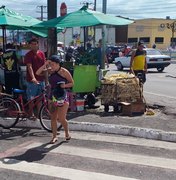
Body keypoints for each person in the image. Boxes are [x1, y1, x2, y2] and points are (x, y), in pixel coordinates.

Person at [36, 55, 74, 144]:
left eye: (53, 64)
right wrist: (45, 64)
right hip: (52, 96)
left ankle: (67, 133)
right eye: (50, 64)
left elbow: (72, 83)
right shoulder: (50, 71)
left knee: (61, 118)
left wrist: (64, 86)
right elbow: (37, 73)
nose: (51, 66)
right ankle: (54, 137)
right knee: (53, 118)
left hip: (62, 96)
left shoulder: (64, 72)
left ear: (58, 64)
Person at [24, 38, 46, 118]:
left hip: (41, 79)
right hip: (32, 81)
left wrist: (46, 80)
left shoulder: (42, 54)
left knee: (40, 99)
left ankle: (40, 115)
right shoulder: (28, 55)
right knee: (31, 98)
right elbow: (29, 67)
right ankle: (31, 114)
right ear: (30, 45)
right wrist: (33, 78)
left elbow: (44, 67)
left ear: (38, 44)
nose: (34, 45)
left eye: (35, 43)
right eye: (32, 44)